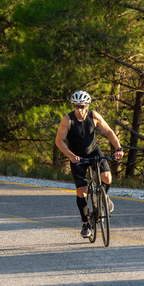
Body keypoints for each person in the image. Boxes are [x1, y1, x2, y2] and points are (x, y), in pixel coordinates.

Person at [55, 91, 124, 238]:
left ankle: (104, 196)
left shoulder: (94, 116)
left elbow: (109, 132)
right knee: (82, 191)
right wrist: (71, 156)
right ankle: (86, 224)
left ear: (87, 105)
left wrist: (118, 149)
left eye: (81, 106)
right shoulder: (67, 120)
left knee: (107, 178)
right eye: (75, 106)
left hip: (93, 151)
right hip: (77, 157)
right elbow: (59, 141)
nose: (78, 109)